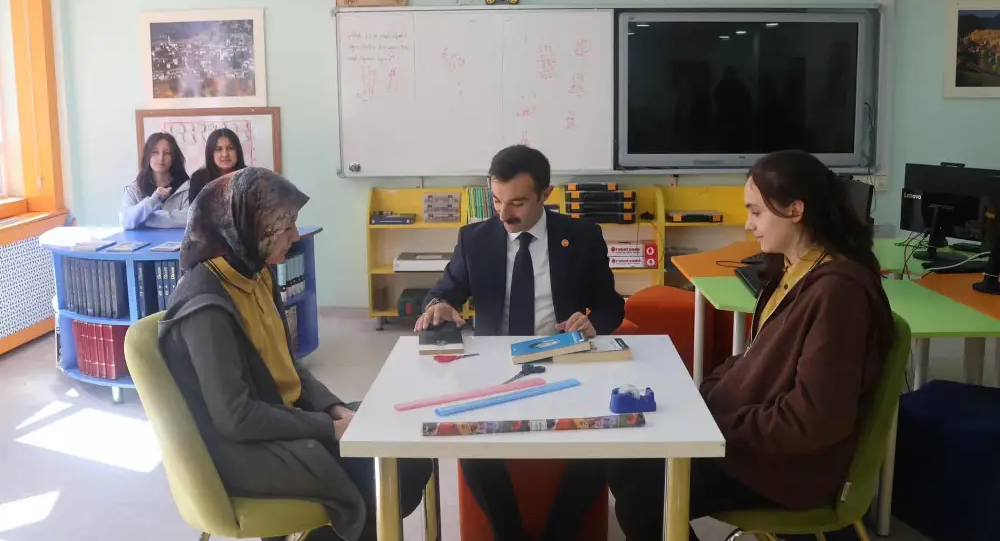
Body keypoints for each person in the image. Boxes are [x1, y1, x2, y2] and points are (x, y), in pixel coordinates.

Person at [608, 150, 896, 541]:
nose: (748, 224)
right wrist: (704, 401)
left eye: (756, 212)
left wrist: (716, 424)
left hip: (788, 467)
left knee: (643, 490)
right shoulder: (791, 270)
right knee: (629, 465)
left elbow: (811, 423)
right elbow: (751, 358)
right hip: (752, 440)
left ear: (795, 210)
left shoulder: (838, 294)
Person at [159, 168, 432, 541]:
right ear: (250, 227)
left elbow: (286, 365)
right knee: (381, 471)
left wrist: (334, 409)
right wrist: (328, 428)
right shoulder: (205, 304)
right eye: (284, 225)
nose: (295, 235)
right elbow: (237, 418)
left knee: (405, 444)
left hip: (283, 419)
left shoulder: (256, 273)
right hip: (242, 449)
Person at [416, 145, 624, 541]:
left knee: (603, 440)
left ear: (546, 194)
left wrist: (593, 322)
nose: (504, 213)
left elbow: (610, 304)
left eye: (517, 202)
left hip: (564, 358)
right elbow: (444, 291)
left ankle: (558, 533)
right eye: (496, 200)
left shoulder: (581, 236)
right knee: (472, 443)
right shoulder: (475, 239)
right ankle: (509, 533)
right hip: (496, 366)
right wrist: (438, 305)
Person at [119, 132, 190, 229]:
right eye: (155, 152)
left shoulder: (187, 187)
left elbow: (189, 219)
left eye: (167, 153)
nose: (161, 158)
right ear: (147, 156)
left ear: (174, 157)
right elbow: (125, 221)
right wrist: (152, 201)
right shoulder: (133, 189)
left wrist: (142, 218)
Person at [188, 127, 247, 201]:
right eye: (219, 149)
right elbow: (194, 208)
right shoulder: (198, 178)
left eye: (230, 148)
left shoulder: (251, 176)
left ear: (238, 152)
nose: (225, 154)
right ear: (211, 153)